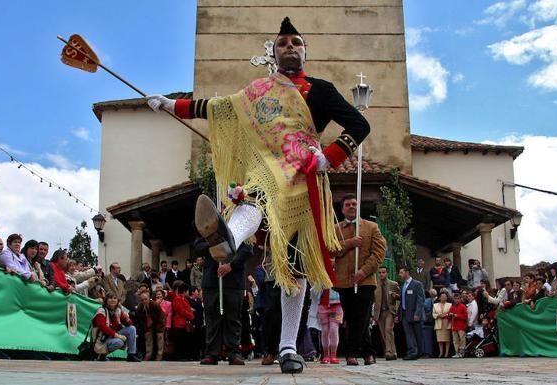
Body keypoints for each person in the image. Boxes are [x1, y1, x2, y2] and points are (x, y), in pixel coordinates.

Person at [147, 17, 370, 374]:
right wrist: (172, 105)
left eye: (296, 43)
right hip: (266, 167)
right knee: (253, 195)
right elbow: (217, 107)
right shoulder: (258, 91)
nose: (290, 48)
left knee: (294, 269)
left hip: (303, 177)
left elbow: (360, 125)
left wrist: (330, 157)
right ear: (274, 52)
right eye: (283, 44)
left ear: (305, 51)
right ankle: (229, 238)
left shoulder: (322, 90)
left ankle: (287, 348)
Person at [332, 193, 386, 366]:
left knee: (362, 316)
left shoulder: (371, 227)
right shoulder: (335, 229)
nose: (351, 207)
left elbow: (379, 253)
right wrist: (350, 243)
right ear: (342, 209)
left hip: (365, 281)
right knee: (351, 317)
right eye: (347, 204)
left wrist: (364, 271)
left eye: (354, 204)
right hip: (344, 281)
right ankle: (368, 353)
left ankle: (352, 353)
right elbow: (330, 250)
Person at [195, 236, 251, 365]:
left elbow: (247, 249)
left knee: (233, 318)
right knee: (211, 319)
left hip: (233, 280)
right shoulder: (209, 224)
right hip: (212, 280)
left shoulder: (241, 221)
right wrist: (215, 246)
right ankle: (211, 353)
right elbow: (198, 247)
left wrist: (232, 265)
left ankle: (234, 352)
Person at [92, 292, 141, 362]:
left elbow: (129, 324)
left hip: (113, 336)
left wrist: (127, 318)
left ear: (117, 301)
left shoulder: (118, 310)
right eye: (110, 298)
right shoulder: (101, 311)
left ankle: (131, 354)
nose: (113, 300)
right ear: (106, 300)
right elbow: (103, 327)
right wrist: (118, 336)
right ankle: (101, 355)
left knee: (132, 328)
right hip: (103, 339)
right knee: (119, 342)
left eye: (115, 298)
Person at [398, 266, 425, 360]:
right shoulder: (402, 286)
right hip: (405, 313)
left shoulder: (417, 284)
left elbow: (420, 300)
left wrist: (417, 312)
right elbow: (402, 300)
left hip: (414, 313)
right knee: (408, 334)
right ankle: (412, 352)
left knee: (417, 334)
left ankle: (418, 352)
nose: (399, 275)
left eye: (401, 272)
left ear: (407, 272)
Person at [373, 266, 400, 361]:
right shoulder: (375, 285)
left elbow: (399, 298)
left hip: (390, 311)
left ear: (387, 273)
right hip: (379, 312)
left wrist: (395, 296)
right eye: (379, 272)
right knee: (384, 333)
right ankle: (394, 352)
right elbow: (373, 300)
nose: (381, 274)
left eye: (383, 272)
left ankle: (388, 351)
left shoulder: (393, 284)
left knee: (388, 330)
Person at [136, 290, 166, 361]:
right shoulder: (139, 308)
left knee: (160, 336)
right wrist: (146, 329)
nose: (144, 301)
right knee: (148, 335)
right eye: (142, 300)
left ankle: (159, 354)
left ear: (149, 298)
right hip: (148, 325)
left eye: (146, 299)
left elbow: (161, 317)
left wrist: (159, 329)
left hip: (159, 323)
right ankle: (148, 354)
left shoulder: (155, 305)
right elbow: (141, 321)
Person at [317, 287, 342, 364]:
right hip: (322, 305)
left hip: (337, 305)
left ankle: (333, 355)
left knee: (334, 330)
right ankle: (326, 355)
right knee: (324, 331)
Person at [172, 284, 195, 361]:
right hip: (179, 323)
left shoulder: (184, 299)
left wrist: (190, 314)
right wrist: (190, 315)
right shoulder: (177, 299)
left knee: (184, 340)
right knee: (179, 340)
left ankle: (184, 355)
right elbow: (181, 310)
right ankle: (179, 356)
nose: (188, 292)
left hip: (184, 323)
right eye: (187, 291)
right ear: (184, 291)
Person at [432, 292, 452, 358]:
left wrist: (446, 315)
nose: (443, 297)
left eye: (445, 296)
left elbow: (451, 313)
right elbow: (433, 314)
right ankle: (441, 353)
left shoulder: (450, 305)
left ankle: (446, 353)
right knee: (440, 340)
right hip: (439, 323)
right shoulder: (435, 305)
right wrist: (438, 315)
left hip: (446, 323)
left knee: (447, 339)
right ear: (440, 297)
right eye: (442, 296)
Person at [449, 292, 468, 358]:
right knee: (455, 340)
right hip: (454, 326)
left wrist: (456, 315)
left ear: (460, 299)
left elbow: (465, 316)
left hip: (461, 326)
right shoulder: (452, 307)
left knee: (462, 339)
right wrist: (449, 314)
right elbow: (449, 314)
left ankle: (461, 352)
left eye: (458, 299)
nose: (456, 300)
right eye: (455, 299)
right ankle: (456, 352)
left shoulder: (463, 306)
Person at [422, 289, 437, 358]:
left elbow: (424, 308)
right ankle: (428, 352)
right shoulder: (430, 301)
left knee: (427, 338)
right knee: (428, 338)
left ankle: (427, 352)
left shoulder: (426, 301)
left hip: (426, 322)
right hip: (429, 322)